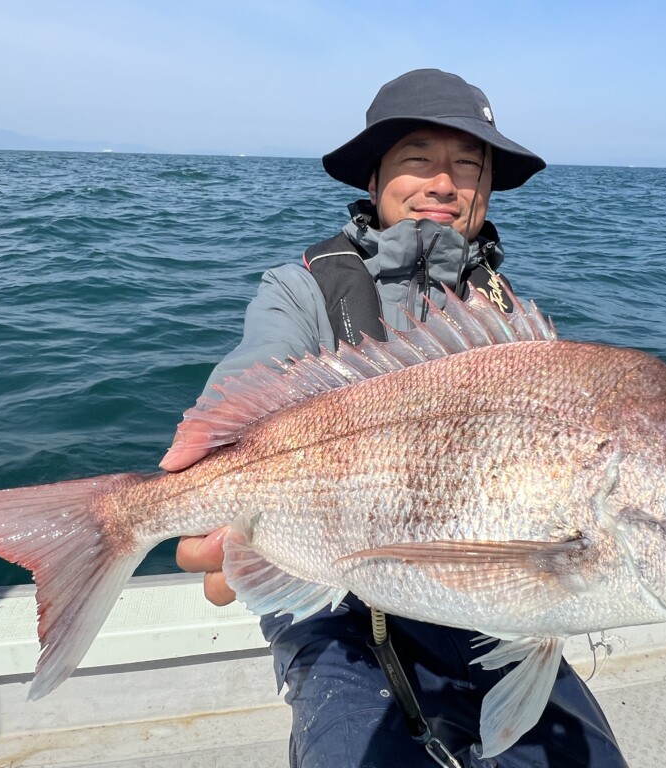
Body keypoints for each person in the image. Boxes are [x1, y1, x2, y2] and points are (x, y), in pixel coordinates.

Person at [166, 69, 628, 768]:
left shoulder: (510, 321)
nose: (444, 183)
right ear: (375, 176)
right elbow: (237, 405)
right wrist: (210, 499)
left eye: (468, 165)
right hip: (337, 612)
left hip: (489, 606)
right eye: (418, 158)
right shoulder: (302, 291)